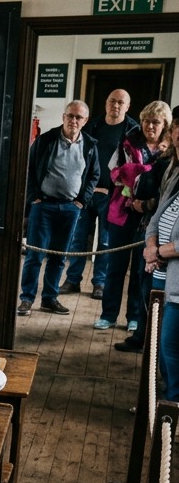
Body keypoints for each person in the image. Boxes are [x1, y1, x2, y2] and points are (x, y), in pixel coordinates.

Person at [94, 102, 171, 332]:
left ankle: (134, 317)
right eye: (147, 121)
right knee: (115, 266)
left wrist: (139, 174)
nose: (150, 126)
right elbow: (115, 172)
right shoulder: (128, 141)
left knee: (140, 268)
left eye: (155, 122)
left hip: (149, 216)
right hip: (122, 210)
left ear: (164, 125)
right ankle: (108, 314)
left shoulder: (168, 151)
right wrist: (132, 184)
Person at [17, 101, 98, 317]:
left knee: (59, 256)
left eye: (78, 117)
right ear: (63, 117)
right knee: (35, 254)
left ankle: (49, 299)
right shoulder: (46, 140)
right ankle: (26, 299)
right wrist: (34, 197)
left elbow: (93, 175)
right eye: (70, 116)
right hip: (43, 206)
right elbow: (30, 168)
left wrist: (82, 200)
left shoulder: (89, 145)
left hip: (71, 209)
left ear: (85, 121)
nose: (73, 120)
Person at [61, 89, 139, 297]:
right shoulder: (92, 126)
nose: (115, 106)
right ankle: (72, 280)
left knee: (105, 241)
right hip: (86, 192)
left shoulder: (133, 130)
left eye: (120, 103)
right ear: (105, 103)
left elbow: (134, 166)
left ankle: (99, 283)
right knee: (78, 239)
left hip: (113, 195)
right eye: (112, 101)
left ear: (127, 107)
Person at [119, 105, 179, 352]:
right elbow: (157, 201)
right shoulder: (169, 162)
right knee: (147, 291)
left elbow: (152, 199)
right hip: (151, 235)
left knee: (166, 315)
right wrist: (152, 245)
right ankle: (144, 340)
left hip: (169, 253)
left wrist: (158, 251)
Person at [142, 131, 179, 398]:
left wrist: (158, 253)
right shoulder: (177, 179)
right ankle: (162, 401)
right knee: (158, 345)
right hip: (163, 274)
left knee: (170, 347)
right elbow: (156, 218)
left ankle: (171, 408)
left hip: (175, 279)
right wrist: (152, 247)